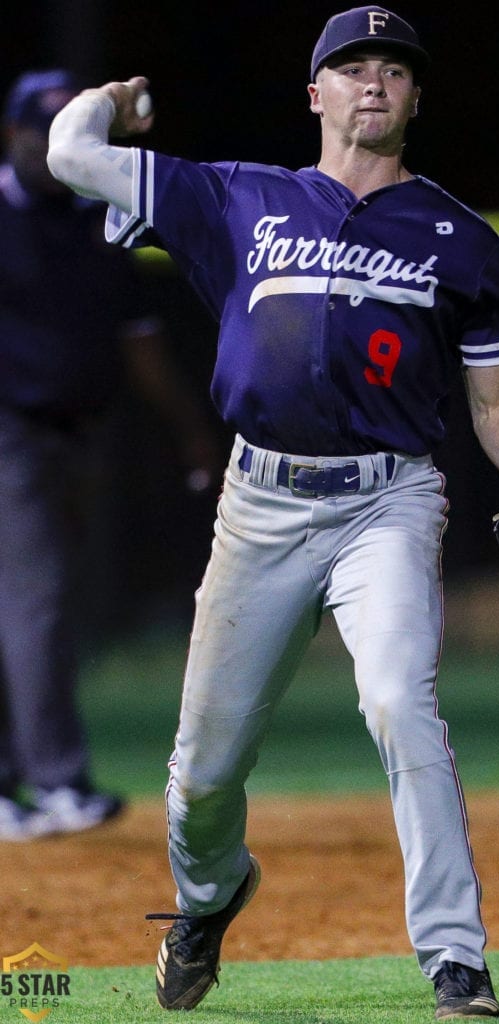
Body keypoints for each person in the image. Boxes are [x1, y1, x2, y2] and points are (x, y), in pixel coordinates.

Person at [46, 7, 499, 1018]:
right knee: (202, 778)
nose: (374, 81)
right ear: (315, 93)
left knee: (399, 699)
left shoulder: (456, 237)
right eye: (351, 67)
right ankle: (209, 900)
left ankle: (454, 960)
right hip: (258, 505)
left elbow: (494, 400)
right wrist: (114, 102)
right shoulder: (234, 197)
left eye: (394, 68)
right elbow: (68, 152)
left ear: (416, 97)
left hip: (386, 501)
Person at [0, 69, 221, 842]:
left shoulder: (94, 219)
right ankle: (58, 782)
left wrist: (190, 429)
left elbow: (140, 340)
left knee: (31, 609)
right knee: (39, 601)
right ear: (15, 136)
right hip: (11, 434)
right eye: (43, 128)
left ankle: (11, 781)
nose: (54, 142)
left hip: (79, 433)